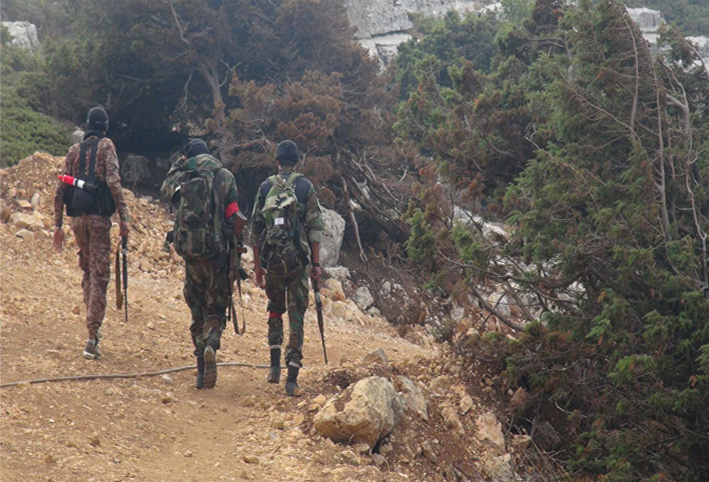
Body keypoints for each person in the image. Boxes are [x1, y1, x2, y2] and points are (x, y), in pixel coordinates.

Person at [161, 139, 246, 389]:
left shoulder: (183, 175)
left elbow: (166, 192)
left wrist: (179, 164)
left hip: (190, 252)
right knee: (215, 309)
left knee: (196, 308)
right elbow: (233, 214)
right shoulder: (224, 175)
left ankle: (200, 368)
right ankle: (211, 344)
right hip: (218, 253)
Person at [53, 106, 130, 360]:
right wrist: (124, 218)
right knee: (100, 276)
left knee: (87, 271)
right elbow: (114, 182)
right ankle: (92, 336)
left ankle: (91, 327)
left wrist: (57, 226)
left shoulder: (74, 151)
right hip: (98, 220)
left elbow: (60, 188)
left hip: (77, 220)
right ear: (105, 126)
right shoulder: (107, 146)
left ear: (87, 125)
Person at [251, 140, 323, 396]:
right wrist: (315, 264)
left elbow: (256, 229)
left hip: (272, 260)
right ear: (297, 161)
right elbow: (314, 228)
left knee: (275, 309)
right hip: (296, 261)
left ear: (277, 160)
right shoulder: (305, 187)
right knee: (296, 314)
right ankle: (291, 377)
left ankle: (273, 366)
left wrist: (258, 266)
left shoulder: (265, 186)